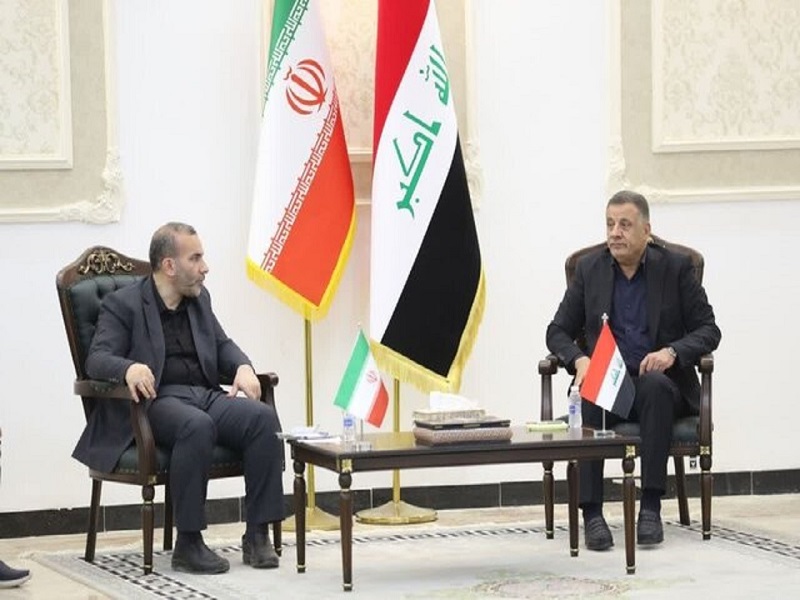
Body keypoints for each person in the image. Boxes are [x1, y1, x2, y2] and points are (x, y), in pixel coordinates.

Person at [73, 222, 284, 574]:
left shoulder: (199, 299)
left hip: (203, 394)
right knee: (195, 426)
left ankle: (257, 534)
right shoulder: (123, 304)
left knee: (261, 419)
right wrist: (128, 369)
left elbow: (221, 344)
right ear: (169, 265)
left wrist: (243, 367)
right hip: (155, 402)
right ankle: (188, 544)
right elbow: (96, 359)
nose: (205, 267)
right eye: (195, 258)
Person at [546, 190, 721, 551]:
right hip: (610, 384)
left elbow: (709, 330)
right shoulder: (590, 270)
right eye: (610, 224)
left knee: (655, 386)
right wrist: (579, 359)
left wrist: (672, 352)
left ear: (646, 230)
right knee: (591, 387)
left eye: (625, 225)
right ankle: (592, 515)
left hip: (659, 387)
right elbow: (557, 331)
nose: (615, 233)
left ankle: (651, 509)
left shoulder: (675, 268)